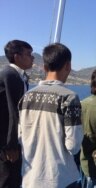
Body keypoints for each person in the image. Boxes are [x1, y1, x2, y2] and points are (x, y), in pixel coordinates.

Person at [18, 43, 83, 188]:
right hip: (61, 179)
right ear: (68, 66)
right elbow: (73, 145)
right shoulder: (69, 98)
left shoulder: (26, 97)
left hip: (30, 178)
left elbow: (20, 136)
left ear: (45, 67)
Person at [0, 39, 33, 188]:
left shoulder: (20, 75)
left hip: (13, 138)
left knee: (14, 178)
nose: (32, 57)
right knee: (8, 179)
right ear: (17, 56)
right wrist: (11, 145)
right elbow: (12, 112)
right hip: (7, 141)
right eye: (28, 54)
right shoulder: (10, 75)